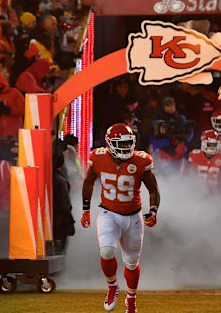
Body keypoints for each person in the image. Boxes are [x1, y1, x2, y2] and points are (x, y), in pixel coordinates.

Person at [81, 123, 160, 313]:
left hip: (133, 217)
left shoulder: (141, 160)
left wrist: (154, 211)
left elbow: (153, 190)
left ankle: (131, 300)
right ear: (110, 143)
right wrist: (86, 210)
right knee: (107, 251)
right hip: (108, 213)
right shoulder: (98, 157)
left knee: (131, 263)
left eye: (128, 143)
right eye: (122, 144)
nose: (126, 148)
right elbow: (89, 181)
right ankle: (112, 287)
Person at [52, 148, 75, 255]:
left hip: (50, 221)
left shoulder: (48, 177)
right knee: (60, 251)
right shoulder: (61, 181)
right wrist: (70, 222)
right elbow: (64, 204)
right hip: (60, 222)